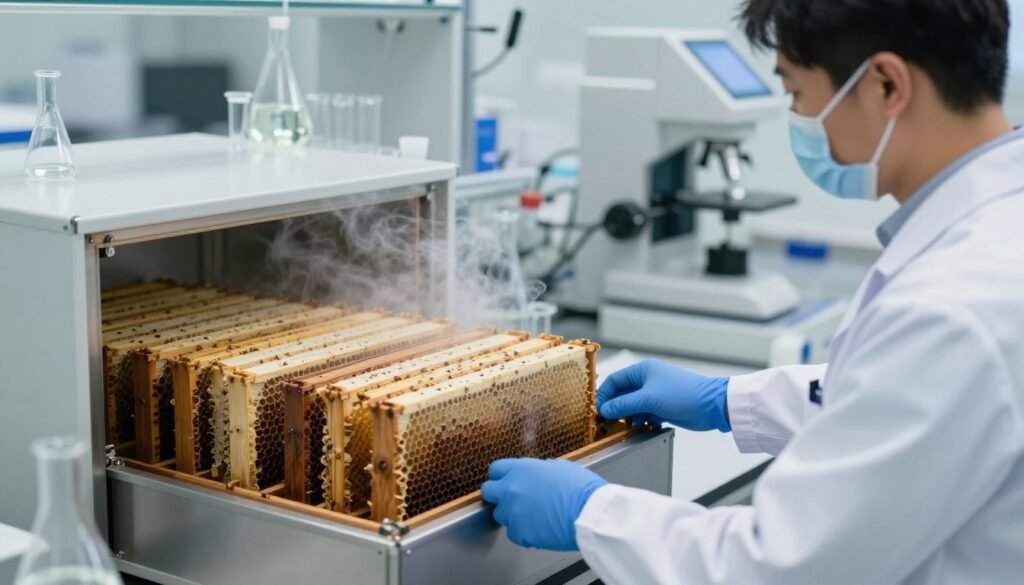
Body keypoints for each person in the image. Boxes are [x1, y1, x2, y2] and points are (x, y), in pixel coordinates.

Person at [481, 0, 1024, 583]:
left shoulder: (953, 303)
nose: (798, 116)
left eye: (796, 93)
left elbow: (780, 566)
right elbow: (891, 403)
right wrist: (728, 400)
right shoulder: (990, 235)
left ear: (886, 84)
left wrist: (593, 513)